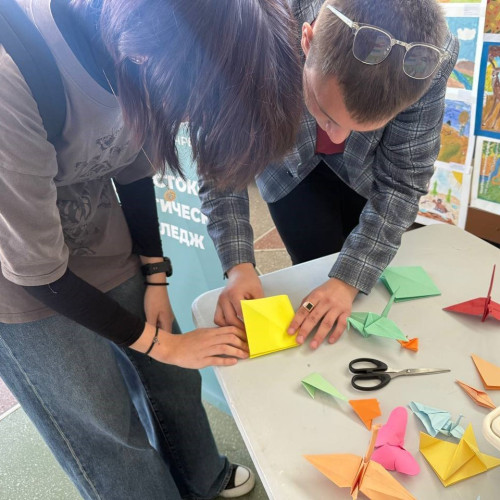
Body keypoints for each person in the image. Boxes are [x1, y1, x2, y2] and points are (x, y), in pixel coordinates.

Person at [0, 0, 303, 499]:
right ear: (144, 58)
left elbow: (131, 166)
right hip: (22, 276)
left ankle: (202, 478)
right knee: (104, 423)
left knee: (173, 380)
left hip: (96, 230)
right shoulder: (14, 76)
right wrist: (162, 344)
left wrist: (155, 278)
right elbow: (39, 271)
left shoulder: (137, 54)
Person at [199, 0, 459, 349]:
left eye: (364, 126)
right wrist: (238, 265)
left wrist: (348, 280)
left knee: (360, 289)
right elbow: (219, 161)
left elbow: (403, 179)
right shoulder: (251, 29)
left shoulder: (430, 58)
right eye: (327, 115)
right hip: (286, 169)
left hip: (366, 172)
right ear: (306, 41)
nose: (337, 138)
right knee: (308, 269)